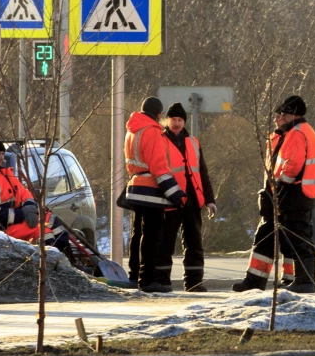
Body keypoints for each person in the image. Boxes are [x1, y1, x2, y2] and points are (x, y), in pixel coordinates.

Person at [0, 136, 70, 252]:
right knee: (42, 231)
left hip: (11, 222)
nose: (1, 158)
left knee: (50, 219)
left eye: (2, 154)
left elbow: (24, 194)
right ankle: (56, 262)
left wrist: (30, 207)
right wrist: (23, 214)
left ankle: (62, 259)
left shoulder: (4, 174)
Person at [124, 96, 186, 293]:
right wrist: (175, 194)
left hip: (135, 187)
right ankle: (147, 279)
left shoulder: (132, 130)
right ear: (159, 114)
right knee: (151, 235)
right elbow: (159, 167)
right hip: (151, 190)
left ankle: (134, 275)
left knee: (138, 233)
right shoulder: (152, 132)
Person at [155, 103, 217, 292]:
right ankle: (163, 281)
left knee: (194, 243)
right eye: (173, 119)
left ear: (184, 122)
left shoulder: (193, 142)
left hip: (193, 200)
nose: (176, 123)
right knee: (165, 243)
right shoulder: (160, 140)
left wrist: (209, 200)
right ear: (167, 120)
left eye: (180, 120)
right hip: (170, 200)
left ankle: (194, 282)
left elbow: (203, 173)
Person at [232, 112, 295, 292]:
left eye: (281, 116)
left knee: (288, 242)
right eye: (276, 116)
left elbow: (291, 169)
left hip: (287, 198)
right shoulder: (275, 138)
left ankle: (289, 283)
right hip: (273, 197)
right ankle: (255, 282)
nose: (276, 119)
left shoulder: (293, 137)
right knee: (264, 238)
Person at [271, 96, 315, 293]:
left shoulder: (296, 133)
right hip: (305, 192)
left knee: (299, 237)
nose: (280, 117)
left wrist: (279, 181)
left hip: (295, 193)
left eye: (282, 114)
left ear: (291, 114)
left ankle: (304, 281)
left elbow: (292, 165)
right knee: (302, 237)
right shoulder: (306, 131)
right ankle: (304, 279)